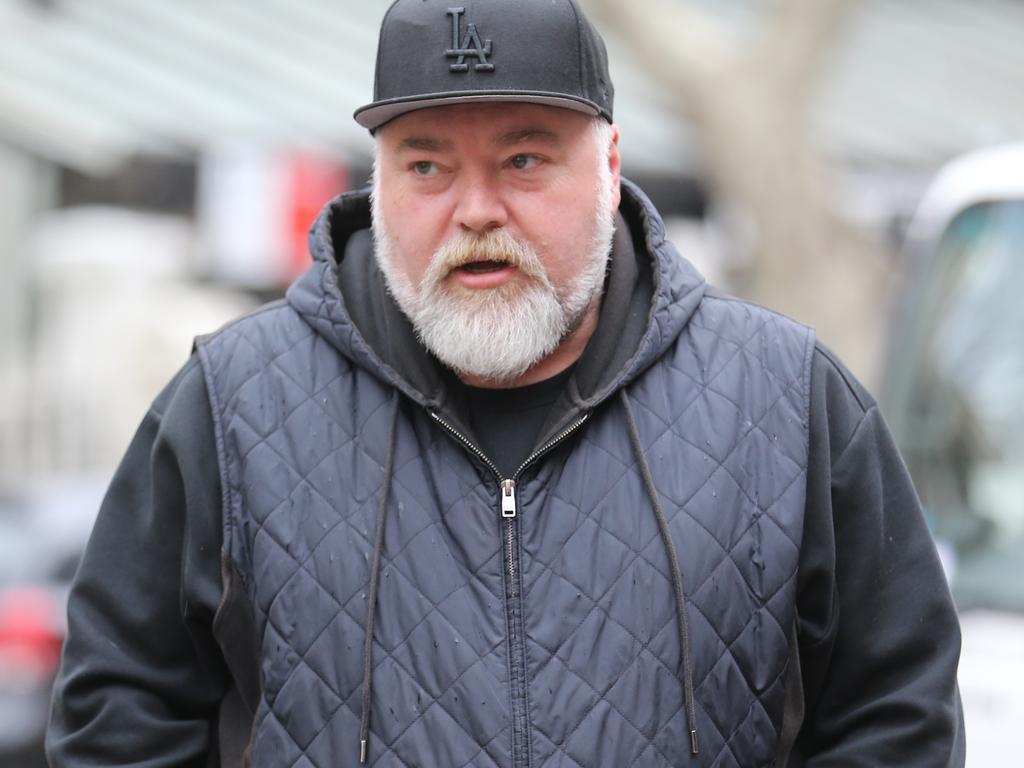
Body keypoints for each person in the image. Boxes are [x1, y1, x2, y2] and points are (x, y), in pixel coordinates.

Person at [47, 0, 965, 765]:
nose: (476, 209)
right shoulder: (233, 404)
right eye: (427, 166)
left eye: (524, 159)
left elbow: (896, 715)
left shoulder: (786, 399)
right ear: (380, 182)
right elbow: (117, 715)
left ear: (608, 168)